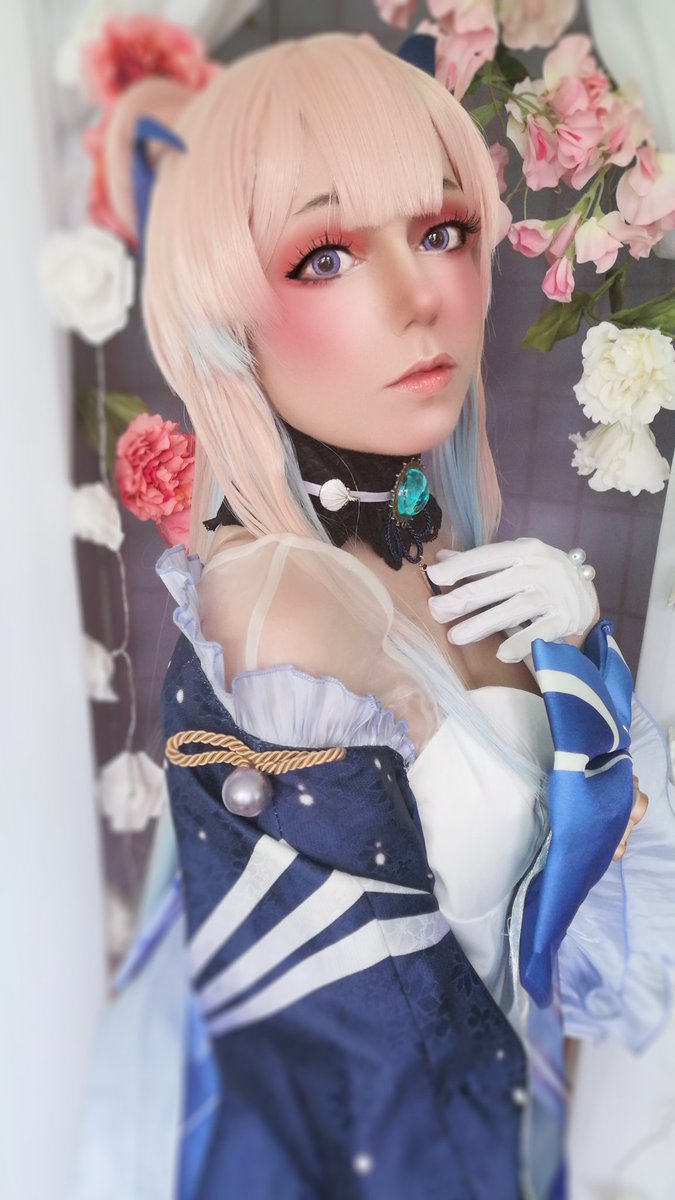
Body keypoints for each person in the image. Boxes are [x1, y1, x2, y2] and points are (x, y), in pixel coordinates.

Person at [74, 31, 674, 1200]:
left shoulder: (438, 537)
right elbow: (352, 1061)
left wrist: (579, 654)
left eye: (441, 232)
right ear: (224, 314)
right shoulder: (280, 608)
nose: (420, 301)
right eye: (327, 255)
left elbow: (598, 901)